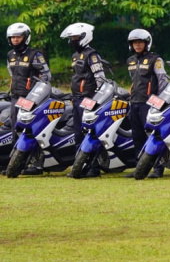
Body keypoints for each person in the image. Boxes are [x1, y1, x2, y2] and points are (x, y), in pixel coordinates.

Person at [60, 23, 106, 177]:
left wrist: (97, 98)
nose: (72, 40)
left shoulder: (92, 55)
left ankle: (94, 167)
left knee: (91, 133)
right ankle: (79, 166)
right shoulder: (75, 55)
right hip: (77, 99)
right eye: (71, 38)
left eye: (75, 37)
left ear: (84, 37)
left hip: (89, 99)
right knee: (78, 133)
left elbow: (100, 77)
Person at [6, 22, 51, 175]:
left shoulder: (35, 55)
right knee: (15, 130)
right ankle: (16, 164)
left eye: (18, 37)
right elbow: (12, 74)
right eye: (12, 37)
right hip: (15, 97)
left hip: (31, 99)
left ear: (25, 37)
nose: (15, 40)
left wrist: (36, 92)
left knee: (31, 130)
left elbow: (46, 75)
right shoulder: (10, 55)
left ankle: (36, 165)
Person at [125, 29, 168, 178]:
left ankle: (158, 168)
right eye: (134, 42)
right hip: (135, 103)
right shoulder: (130, 61)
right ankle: (140, 167)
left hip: (149, 104)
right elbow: (134, 81)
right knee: (137, 136)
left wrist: (159, 101)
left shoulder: (156, 60)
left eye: (139, 42)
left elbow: (162, 81)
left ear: (146, 43)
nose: (137, 45)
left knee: (153, 135)